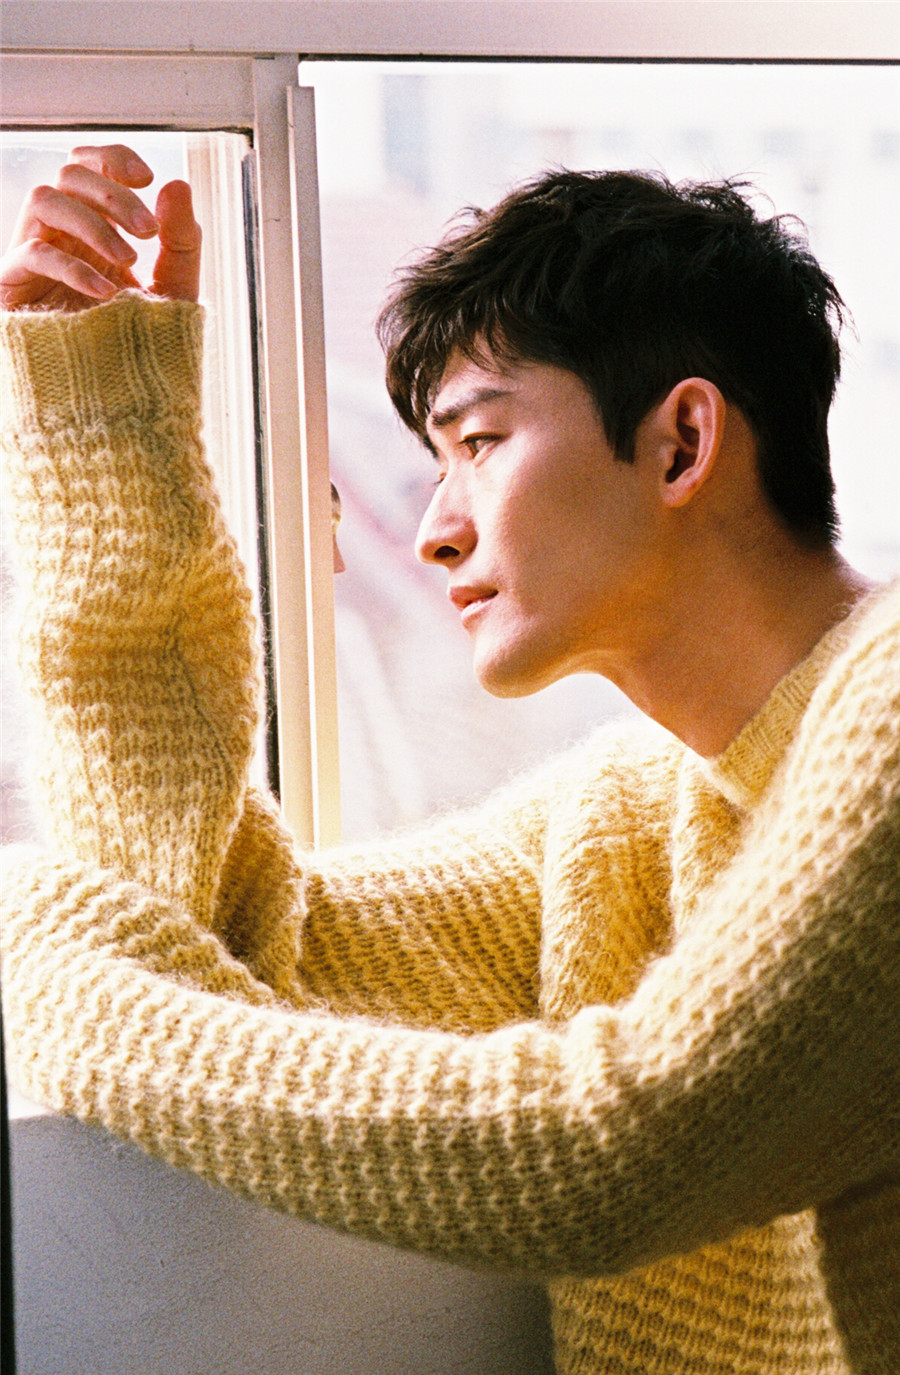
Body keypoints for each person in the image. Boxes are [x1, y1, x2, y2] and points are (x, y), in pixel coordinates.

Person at [0, 145, 897, 1375]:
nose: (432, 531)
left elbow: (609, 1155)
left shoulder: (889, 707)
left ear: (683, 442)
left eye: (478, 442)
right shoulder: (627, 818)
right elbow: (231, 934)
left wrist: (59, 982)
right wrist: (106, 428)